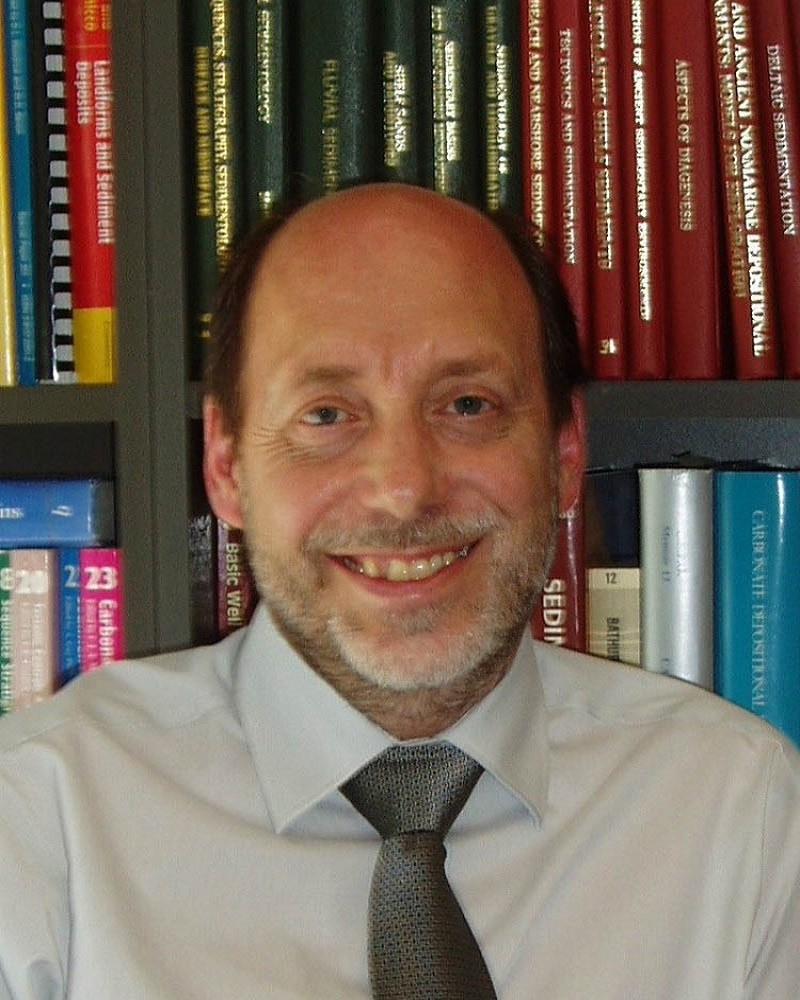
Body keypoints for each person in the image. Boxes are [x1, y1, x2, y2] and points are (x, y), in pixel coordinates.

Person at [0, 183, 798, 999]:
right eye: (326, 415)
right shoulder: (38, 825)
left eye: (467, 405)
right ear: (226, 464)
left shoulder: (743, 816)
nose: (404, 489)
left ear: (564, 453)